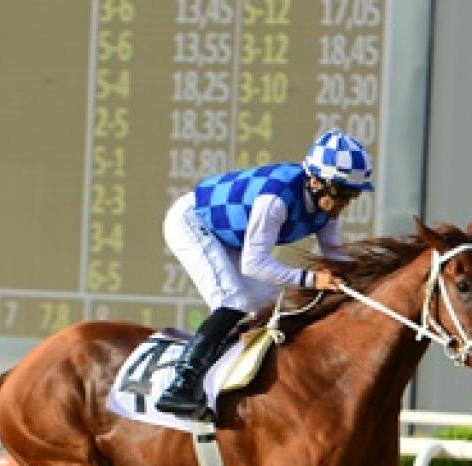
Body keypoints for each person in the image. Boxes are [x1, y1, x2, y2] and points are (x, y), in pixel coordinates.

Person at [155, 128, 374, 418]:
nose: (343, 203)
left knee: (273, 304)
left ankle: (228, 379)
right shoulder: (277, 198)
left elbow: (336, 259)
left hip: (231, 237)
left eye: (352, 194)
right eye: (340, 191)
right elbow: (254, 264)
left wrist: (364, 289)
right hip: (193, 222)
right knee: (233, 299)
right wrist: (311, 279)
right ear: (314, 180)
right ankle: (180, 385)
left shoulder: (325, 208)